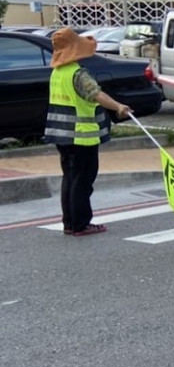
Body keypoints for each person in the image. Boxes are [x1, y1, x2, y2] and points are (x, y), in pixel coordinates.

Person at [44, 28, 133, 237]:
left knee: (70, 178)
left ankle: (69, 222)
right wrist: (118, 106)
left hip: (61, 135)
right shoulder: (78, 73)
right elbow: (96, 94)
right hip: (81, 135)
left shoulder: (58, 72)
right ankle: (81, 224)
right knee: (83, 180)